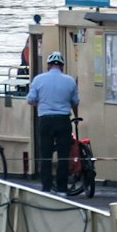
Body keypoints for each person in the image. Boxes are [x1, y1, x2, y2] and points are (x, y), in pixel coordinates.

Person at [25, 52, 81, 193]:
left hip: (46, 120)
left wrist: (41, 105)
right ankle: (62, 189)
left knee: (46, 155)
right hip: (63, 120)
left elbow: (30, 99)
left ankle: (46, 188)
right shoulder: (70, 81)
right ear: (62, 66)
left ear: (48, 65)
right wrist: (76, 116)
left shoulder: (38, 80)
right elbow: (75, 102)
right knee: (63, 156)